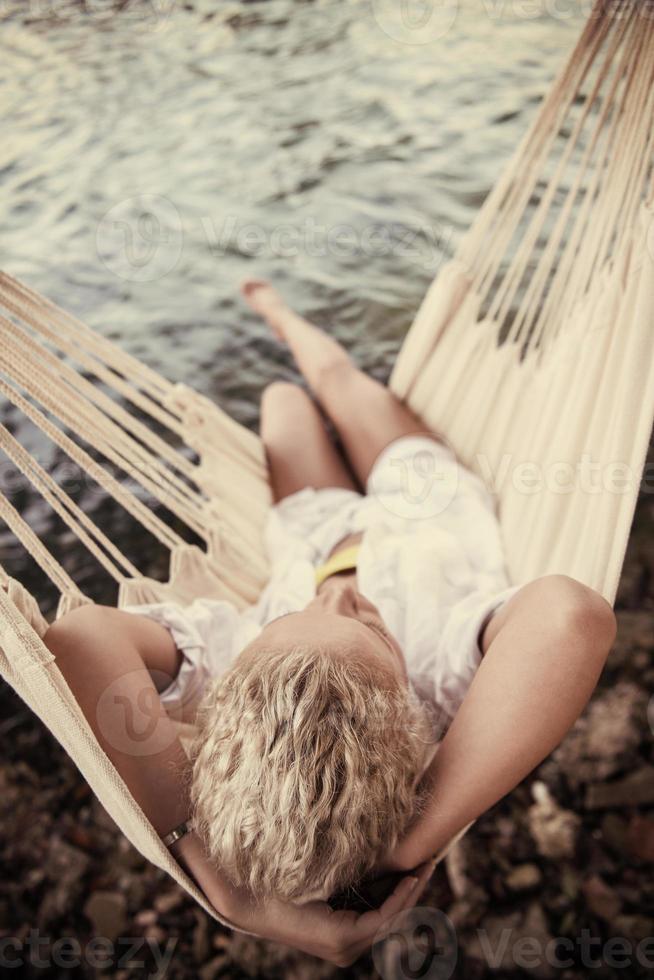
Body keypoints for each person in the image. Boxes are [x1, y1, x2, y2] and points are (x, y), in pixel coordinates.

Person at [43, 280, 617, 966]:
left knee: (280, 403)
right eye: (373, 635)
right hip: (419, 496)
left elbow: (79, 637)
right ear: (407, 712)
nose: (339, 600)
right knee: (334, 378)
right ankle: (283, 313)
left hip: (314, 526)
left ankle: (276, 315)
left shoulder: (225, 667)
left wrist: (214, 877)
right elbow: (571, 616)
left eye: (292, 620)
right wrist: (416, 841)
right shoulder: (441, 677)